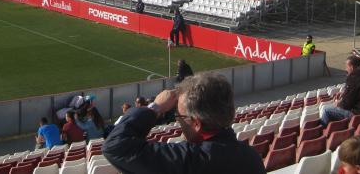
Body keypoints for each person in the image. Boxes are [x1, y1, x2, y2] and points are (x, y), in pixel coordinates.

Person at [103, 73, 266, 174]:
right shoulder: (251, 157)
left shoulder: (188, 161)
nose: (178, 120)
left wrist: (155, 107)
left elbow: (115, 146)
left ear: (196, 123)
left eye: (179, 115)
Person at [321, 55, 360, 126]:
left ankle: (322, 131)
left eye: (346, 67)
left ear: (351, 67)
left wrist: (339, 104)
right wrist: (345, 92)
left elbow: (346, 104)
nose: (346, 69)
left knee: (326, 111)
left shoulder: (353, 76)